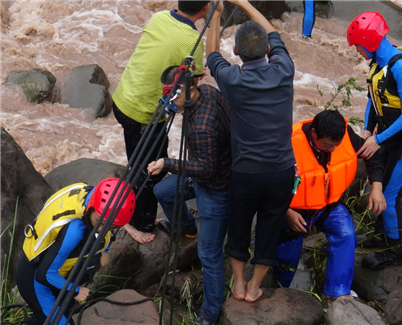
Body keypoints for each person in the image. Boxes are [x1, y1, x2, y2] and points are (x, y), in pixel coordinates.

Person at [206, 0, 296, 302]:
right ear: (268, 51)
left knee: (240, 224)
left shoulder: (232, 79)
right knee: (270, 227)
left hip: (246, 172)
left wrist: (216, 16)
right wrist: (244, 3)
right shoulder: (284, 70)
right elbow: (273, 34)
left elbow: (211, 56)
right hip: (282, 170)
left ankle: (238, 282)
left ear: (237, 53)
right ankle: (256, 286)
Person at [112, 1, 210, 244]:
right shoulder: (191, 40)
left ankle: (134, 211)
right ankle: (137, 223)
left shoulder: (159, 17)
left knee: (139, 160)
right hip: (143, 114)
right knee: (151, 170)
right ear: (206, 8)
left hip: (123, 99)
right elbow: (192, 85)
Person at [347, 12, 402, 270]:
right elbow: (373, 102)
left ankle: (395, 252)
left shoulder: (400, 67)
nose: (358, 52)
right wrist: (366, 130)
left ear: (369, 43)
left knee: (388, 195)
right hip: (392, 135)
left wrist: (378, 140)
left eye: (359, 47)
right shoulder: (378, 64)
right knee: (380, 184)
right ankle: (379, 235)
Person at [148, 65, 231, 325]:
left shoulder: (201, 129)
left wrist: (168, 163)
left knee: (209, 254)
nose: (171, 103)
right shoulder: (208, 91)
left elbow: (207, 169)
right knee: (162, 190)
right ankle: (186, 228)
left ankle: (210, 312)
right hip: (205, 169)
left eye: (175, 96)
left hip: (216, 187)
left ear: (191, 88)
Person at [274, 110, 386, 300]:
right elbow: (267, 183)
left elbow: (371, 154)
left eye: (336, 145)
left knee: (346, 233)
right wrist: (287, 212)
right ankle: (279, 290)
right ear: (315, 134)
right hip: (294, 210)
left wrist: (377, 187)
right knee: (287, 252)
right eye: (328, 145)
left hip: (327, 206)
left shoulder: (345, 135)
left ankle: (338, 292)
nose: (333, 149)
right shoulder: (289, 143)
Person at [18, 178, 136, 325]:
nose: (103, 230)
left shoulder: (89, 194)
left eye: (112, 227)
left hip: (57, 270)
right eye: (102, 223)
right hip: (35, 279)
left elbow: (105, 226)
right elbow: (45, 275)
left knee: (58, 312)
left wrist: (105, 250)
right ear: (92, 207)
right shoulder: (74, 231)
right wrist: (76, 290)